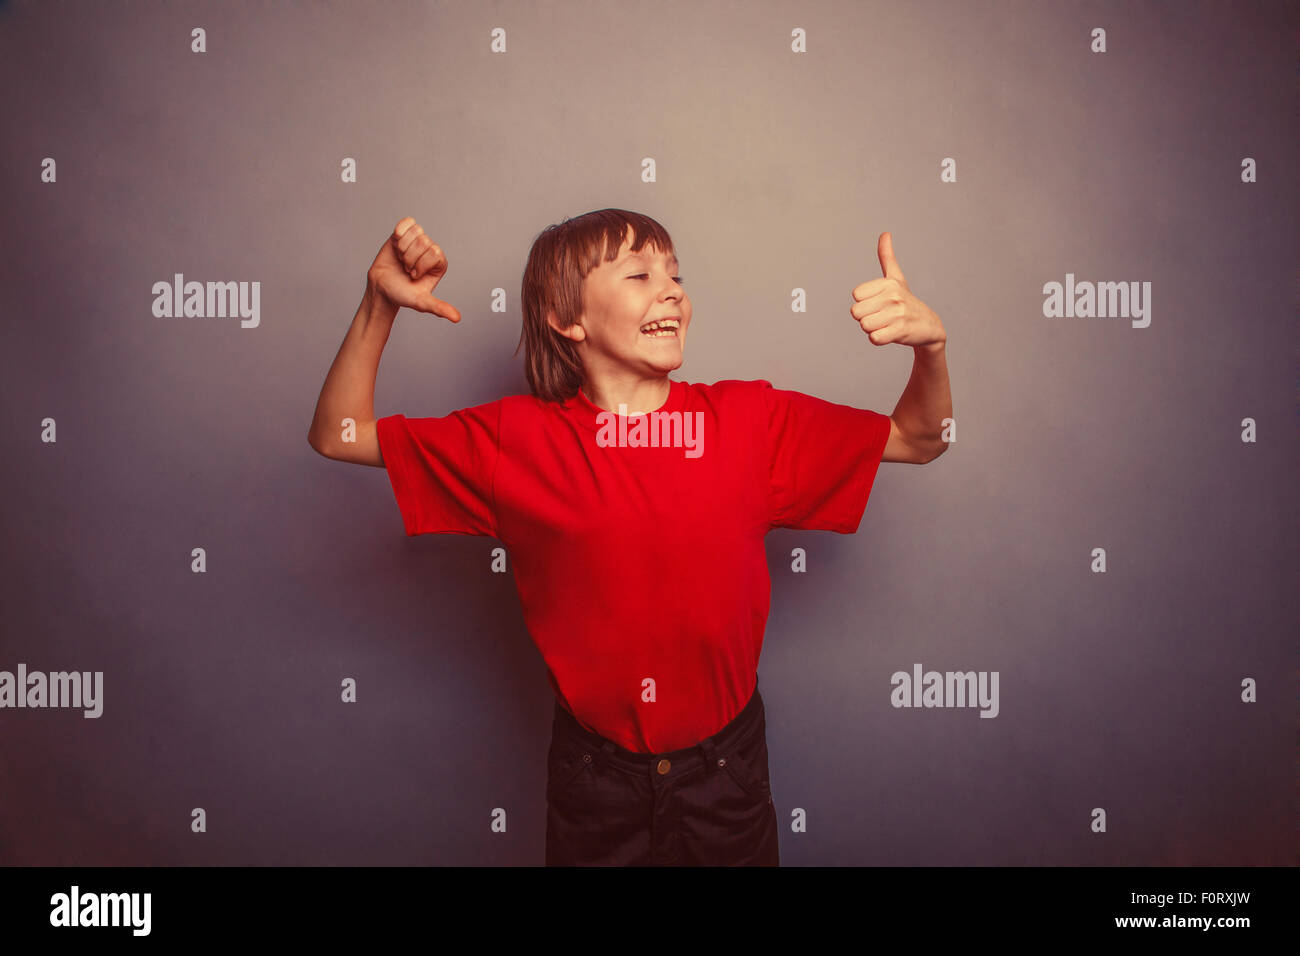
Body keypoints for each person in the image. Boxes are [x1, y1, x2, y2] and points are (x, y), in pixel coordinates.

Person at [307, 209, 951, 866]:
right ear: (568, 319)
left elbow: (920, 439)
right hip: (596, 784)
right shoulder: (515, 442)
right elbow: (338, 434)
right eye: (640, 273)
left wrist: (931, 349)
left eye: (675, 274)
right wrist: (379, 303)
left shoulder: (750, 422)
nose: (671, 288)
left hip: (725, 774)